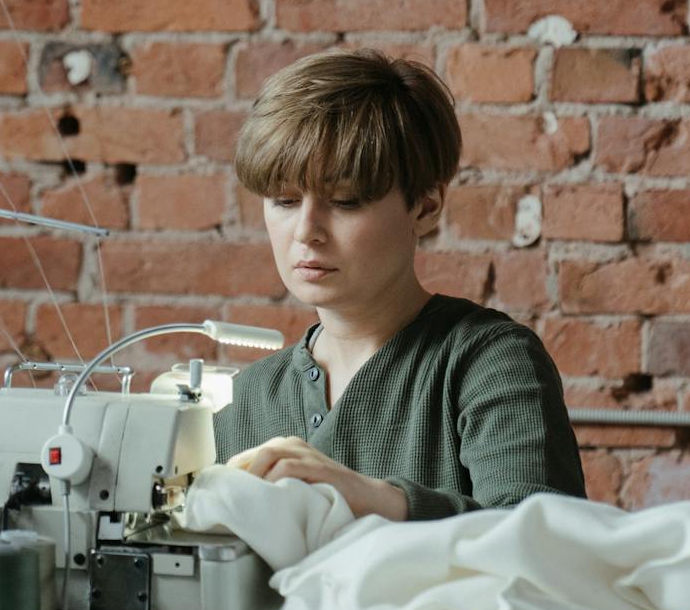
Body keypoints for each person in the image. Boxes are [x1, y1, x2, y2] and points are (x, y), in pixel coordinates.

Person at [216, 47, 586, 524]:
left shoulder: (485, 361)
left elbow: (544, 538)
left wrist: (372, 498)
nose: (306, 230)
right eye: (284, 200)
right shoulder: (244, 399)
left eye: (345, 201)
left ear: (426, 207)